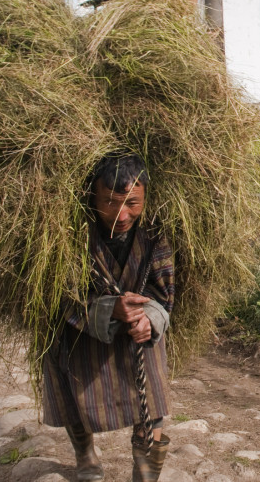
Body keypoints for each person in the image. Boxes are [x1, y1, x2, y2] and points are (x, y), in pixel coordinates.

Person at [41, 154, 175, 481]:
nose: (121, 215)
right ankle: (85, 456)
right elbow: (53, 294)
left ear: (145, 196)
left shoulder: (156, 235)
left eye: (132, 202)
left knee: (152, 407)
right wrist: (108, 307)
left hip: (138, 338)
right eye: (110, 202)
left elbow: (164, 293)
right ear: (92, 196)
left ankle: (145, 477)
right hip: (78, 334)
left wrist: (150, 319)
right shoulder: (67, 234)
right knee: (74, 399)